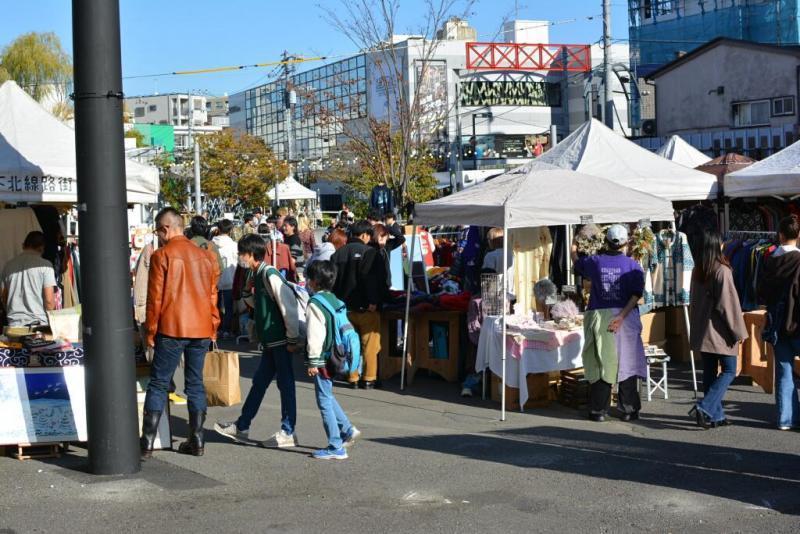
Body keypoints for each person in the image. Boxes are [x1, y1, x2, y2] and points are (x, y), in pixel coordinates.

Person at [141, 208, 221, 458]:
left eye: (158, 231)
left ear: (165, 228)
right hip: (201, 327)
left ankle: (146, 443)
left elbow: (155, 299)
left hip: (172, 326)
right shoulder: (206, 256)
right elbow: (212, 296)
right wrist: (213, 326)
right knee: (195, 383)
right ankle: (197, 439)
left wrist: (151, 331)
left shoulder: (161, 255)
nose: (159, 236)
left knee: (159, 383)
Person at [214, 234, 301, 448]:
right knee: (261, 383)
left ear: (252, 255)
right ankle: (242, 426)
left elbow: (288, 306)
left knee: (285, 384)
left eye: (242, 253)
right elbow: (255, 301)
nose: (239, 257)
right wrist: (246, 289)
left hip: (280, 340)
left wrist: (292, 337)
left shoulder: (269, 274)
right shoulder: (257, 274)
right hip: (272, 341)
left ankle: (287, 430)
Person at [571, 224, 646, 422]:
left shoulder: (595, 261)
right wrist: (621, 316)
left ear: (607, 241)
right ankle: (629, 409)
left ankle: (598, 410)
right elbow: (636, 294)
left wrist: (573, 248)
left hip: (600, 315)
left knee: (601, 362)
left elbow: (577, 264)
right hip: (626, 317)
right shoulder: (633, 265)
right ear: (625, 242)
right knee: (627, 363)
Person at [688, 227, 748, 429]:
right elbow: (728, 305)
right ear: (717, 244)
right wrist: (739, 332)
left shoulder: (699, 269)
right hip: (720, 332)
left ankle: (716, 415)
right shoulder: (722, 270)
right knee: (730, 371)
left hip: (702, 330)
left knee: (710, 372)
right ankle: (705, 407)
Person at [305, 260, 361, 459]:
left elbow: (315, 335)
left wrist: (313, 361)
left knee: (324, 400)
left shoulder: (315, 304)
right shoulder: (336, 300)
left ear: (314, 281)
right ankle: (347, 429)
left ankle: (335, 445)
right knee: (327, 395)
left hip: (324, 358)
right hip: (339, 354)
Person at [758, 215, 800, 430]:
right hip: (797, 322)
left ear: (780, 235)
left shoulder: (769, 260)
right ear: (798, 236)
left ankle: (786, 419)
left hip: (777, 322)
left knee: (784, 371)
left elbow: (761, 292)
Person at [331, 220, 381, 389]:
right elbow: (372, 280)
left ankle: (352, 377)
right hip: (366, 308)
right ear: (365, 235)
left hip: (343, 309)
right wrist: (373, 301)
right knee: (370, 344)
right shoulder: (370, 252)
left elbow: (332, 282)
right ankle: (369, 378)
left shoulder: (337, 255)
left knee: (350, 344)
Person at [1, 231, 56, 327]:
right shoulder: (46, 266)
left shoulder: (8, 266)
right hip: (38, 325)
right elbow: (49, 301)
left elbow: (4, 297)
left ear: (23, 245)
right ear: (42, 248)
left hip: (13, 325)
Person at [213, 219, 239, 338]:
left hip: (215, 280)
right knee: (229, 307)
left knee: (215, 306)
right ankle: (227, 330)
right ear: (230, 230)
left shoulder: (211, 244)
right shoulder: (234, 245)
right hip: (230, 279)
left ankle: (216, 329)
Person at [369, 223, 392, 305]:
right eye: (383, 237)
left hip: (383, 287)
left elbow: (400, 238)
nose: (385, 240)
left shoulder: (383, 250)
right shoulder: (372, 251)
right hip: (377, 293)